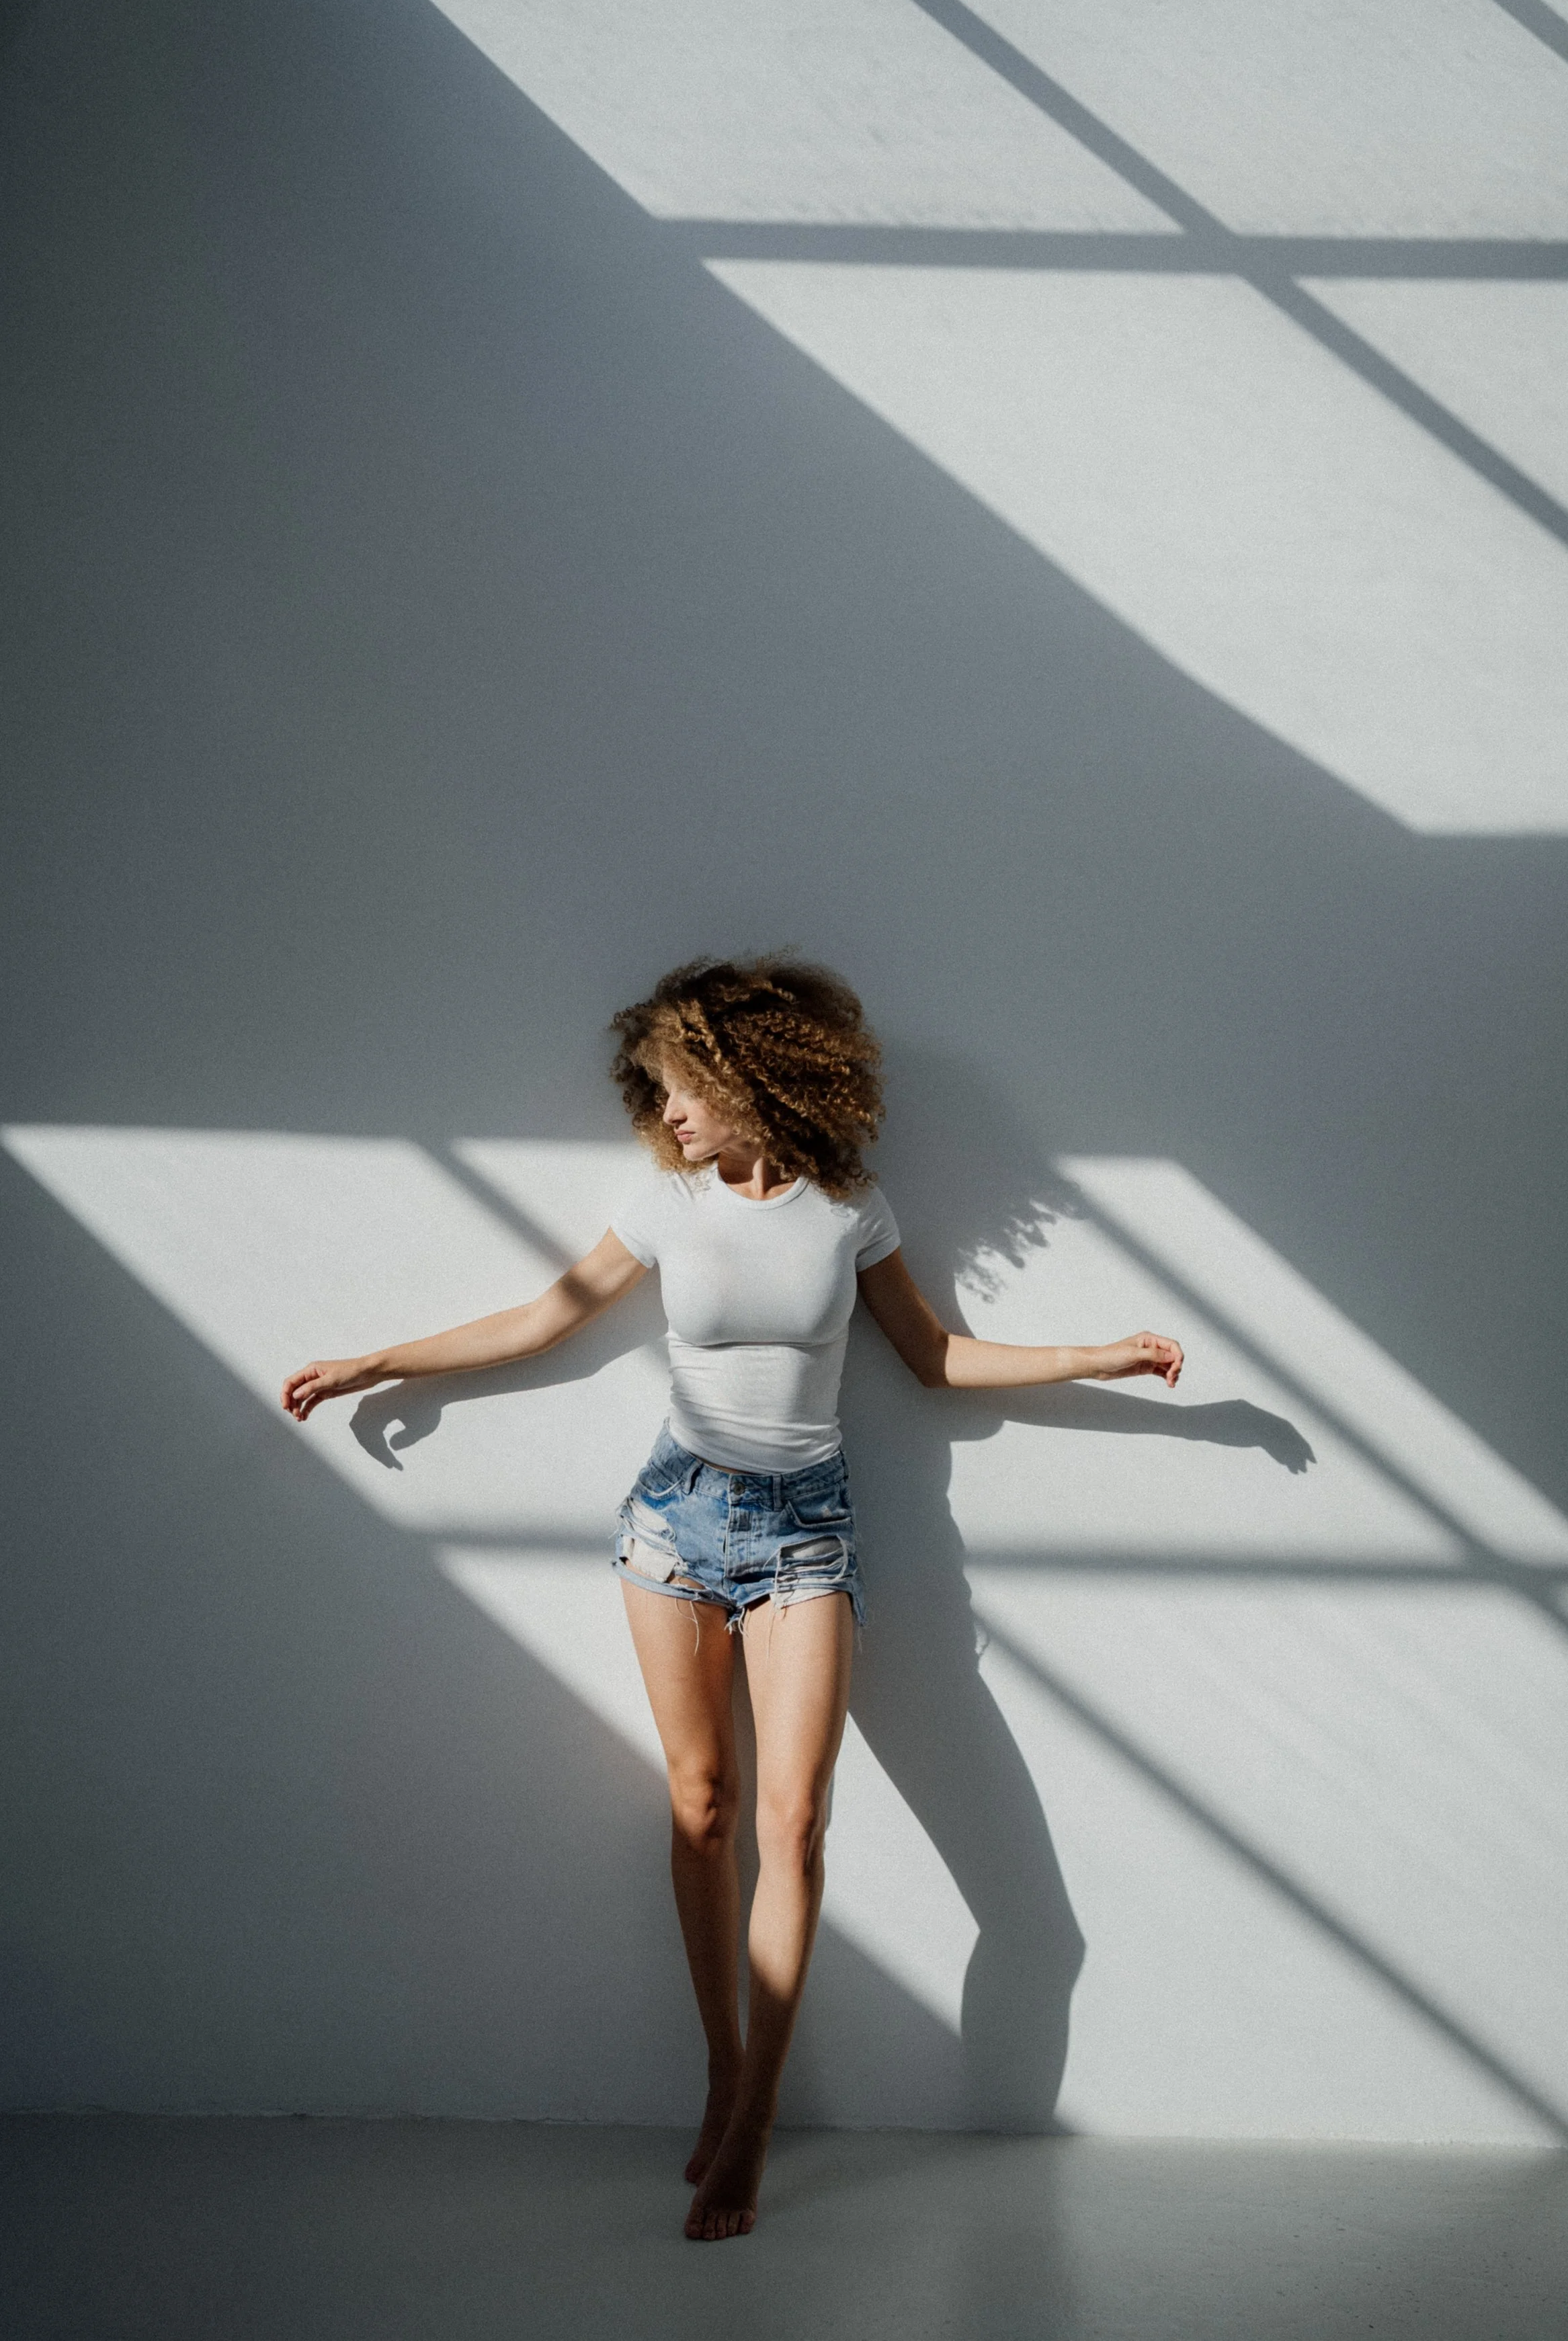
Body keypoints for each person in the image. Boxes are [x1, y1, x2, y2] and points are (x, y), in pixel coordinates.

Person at [282, 957, 1184, 2240]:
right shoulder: (663, 1203)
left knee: (796, 1817)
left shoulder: (847, 1208)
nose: (669, 1113)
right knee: (704, 1809)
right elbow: (545, 1318)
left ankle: (757, 2114)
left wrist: (1101, 1351)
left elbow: (931, 1358)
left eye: (681, 1086)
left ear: (751, 1070)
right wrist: (379, 1356)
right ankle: (720, 2065)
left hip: (810, 1530)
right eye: (657, 1092)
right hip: (675, 1518)